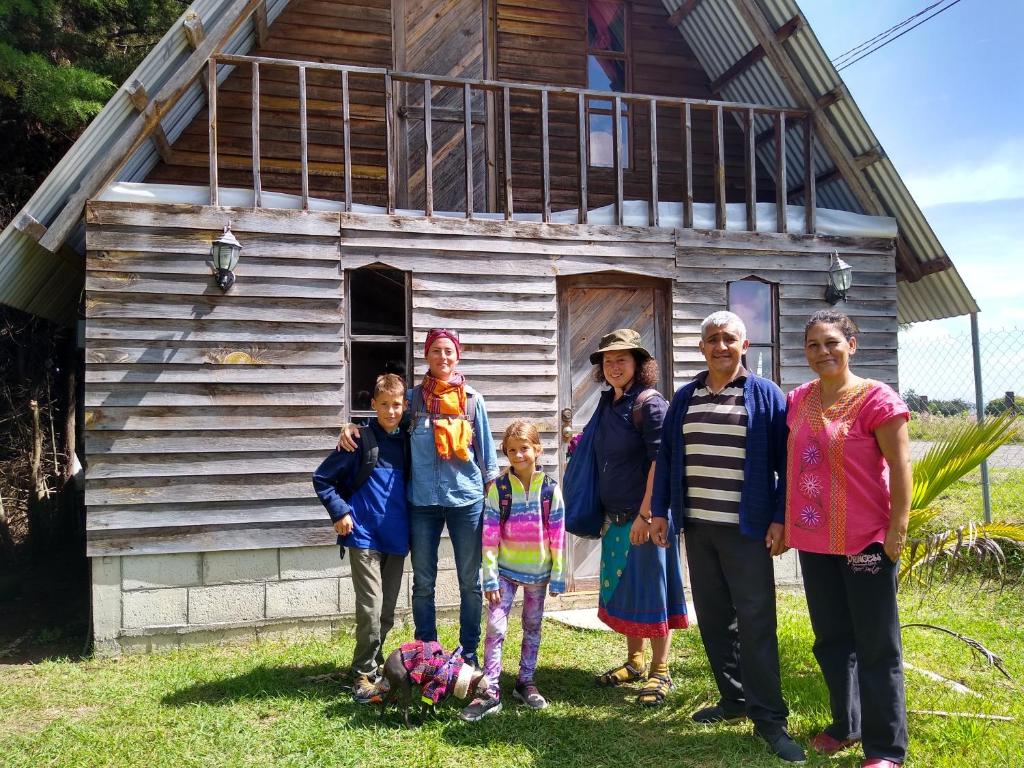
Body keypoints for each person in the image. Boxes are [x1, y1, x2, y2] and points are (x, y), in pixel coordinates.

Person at [650, 311, 805, 764]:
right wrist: (660, 511)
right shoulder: (685, 397)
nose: (720, 346)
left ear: (744, 346)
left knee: (756, 621)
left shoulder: (764, 395)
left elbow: (785, 463)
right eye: (712, 339)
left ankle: (770, 718)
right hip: (698, 528)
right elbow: (668, 456)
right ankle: (734, 698)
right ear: (702, 348)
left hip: (747, 531)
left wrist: (780, 519)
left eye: (729, 339)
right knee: (716, 619)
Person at [786, 310, 911, 768]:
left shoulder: (877, 399)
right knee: (832, 640)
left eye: (833, 342)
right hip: (816, 541)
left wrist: (897, 529)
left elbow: (900, 468)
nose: (824, 352)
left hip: (866, 540)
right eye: (814, 345)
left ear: (852, 345)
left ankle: (886, 748)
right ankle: (846, 725)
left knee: (877, 644)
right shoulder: (798, 399)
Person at [338, 328, 499, 667]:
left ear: (458, 355)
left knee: (470, 582)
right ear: (427, 355)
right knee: (424, 582)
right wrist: (351, 427)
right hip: (422, 502)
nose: (443, 357)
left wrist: (495, 501)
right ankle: (429, 653)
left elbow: (488, 460)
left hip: (466, 501)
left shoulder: (473, 400)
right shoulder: (413, 399)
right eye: (437, 350)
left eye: (449, 351)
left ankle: (468, 652)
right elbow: (387, 421)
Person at [586, 329, 688, 707]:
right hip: (616, 516)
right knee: (627, 588)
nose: (613, 366)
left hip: (646, 516)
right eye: (608, 361)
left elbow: (660, 460)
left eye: (622, 360)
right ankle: (634, 661)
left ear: (639, 365)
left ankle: (661, 670)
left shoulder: (650, 404)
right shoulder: (610, 404)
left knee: (652, 591)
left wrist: (647, 514)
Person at [313, 373, 410, 703]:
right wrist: (340, 512)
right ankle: (362, 674)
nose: (391, 411)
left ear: (405, 406)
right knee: (370, 608)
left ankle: (376, 665)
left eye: (397, 405)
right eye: (383, 405)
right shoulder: (358, 441)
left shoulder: (410, 441)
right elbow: (322, 478)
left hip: (397, 537)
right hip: (363, 536)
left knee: (386, 612)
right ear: (372, 406)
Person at [460, 419, 566, 721]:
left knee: (532, 626)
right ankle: (490, 690)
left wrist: (558, 574)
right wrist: (490, 576)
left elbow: (558, 534)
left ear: (537, 449)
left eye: (524, 449)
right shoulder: (499, 490)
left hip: (538, 575)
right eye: (511, 450)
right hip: (504, 573)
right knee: (496, 628)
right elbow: (490, 536)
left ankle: (525, 680)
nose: (518, 455)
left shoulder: (550, 490)